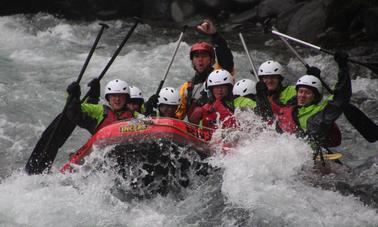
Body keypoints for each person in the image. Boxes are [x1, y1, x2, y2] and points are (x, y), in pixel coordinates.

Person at [256, 52, 350, 148]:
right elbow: (266, 116)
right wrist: (261, 98)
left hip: (306, 145)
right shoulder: (290, 107)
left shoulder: (319, 111)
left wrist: (342, 68)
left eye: (273, 77)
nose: (302, 96)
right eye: (300, 92)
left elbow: (341, 96)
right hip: (286, 142)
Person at [175, 19, 234, 120]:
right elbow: (177, 117)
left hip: (220, 126)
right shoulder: (187, 88)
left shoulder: (220, 74)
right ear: (192, 61)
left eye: (204, 55)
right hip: (197, 131)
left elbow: (226, 58)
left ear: (211, 60)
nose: (200, 59)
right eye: (196, 56)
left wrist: (215, 35)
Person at [65, 79, 133, 134]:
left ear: (126, 98)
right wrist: (73, 97)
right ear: (108, 98)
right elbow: (74, 111)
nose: (117, 99)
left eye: (120, 96)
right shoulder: (100, 110)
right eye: (113, 96)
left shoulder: (134, 115)